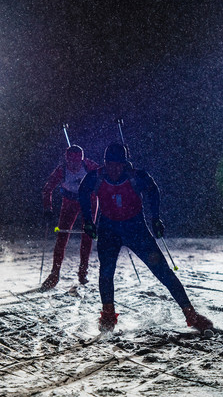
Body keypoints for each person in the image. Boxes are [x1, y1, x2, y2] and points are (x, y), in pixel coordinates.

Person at [78, 143, 213, 333]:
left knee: (162, 270)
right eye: (110, 165)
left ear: (125, 164)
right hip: (109, 228)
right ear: (105, 163)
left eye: (118, 165)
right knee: (106, 272)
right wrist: (88, 220)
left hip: (135, 228)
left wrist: (156, 218)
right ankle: (108, 316)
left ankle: (190, 314)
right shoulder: (96, 176)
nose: (114, 170)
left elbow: (153, 191)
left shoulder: (136, 177)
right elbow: (83, 192)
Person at [41, 145, 99, 290]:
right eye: (71, 162)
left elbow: (106, 176)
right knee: (62, 236)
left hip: (89, 200)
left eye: (77, 162)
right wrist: (48, 208)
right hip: (70, 202)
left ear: (81, 159)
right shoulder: (62, 170)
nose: (74, 165)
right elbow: (48, 188)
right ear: (67, 160)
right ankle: (54, 273)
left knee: (87, 235)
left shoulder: (89, 166)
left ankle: (83, 271)